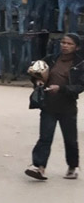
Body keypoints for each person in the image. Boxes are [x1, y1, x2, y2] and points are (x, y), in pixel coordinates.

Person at [26, 32, 84, 180]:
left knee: (70, 139)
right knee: (45, 137)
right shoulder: (51, 59)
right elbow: (37, 74)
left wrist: (62, 88)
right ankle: (39, 167)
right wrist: (38, 82)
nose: (65, 46)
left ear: (76, 47)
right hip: (48, 106)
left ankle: (72, 166)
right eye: (63, 42)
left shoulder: (80, 64)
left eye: (69, 44)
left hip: (68, 107)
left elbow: (80, 86)